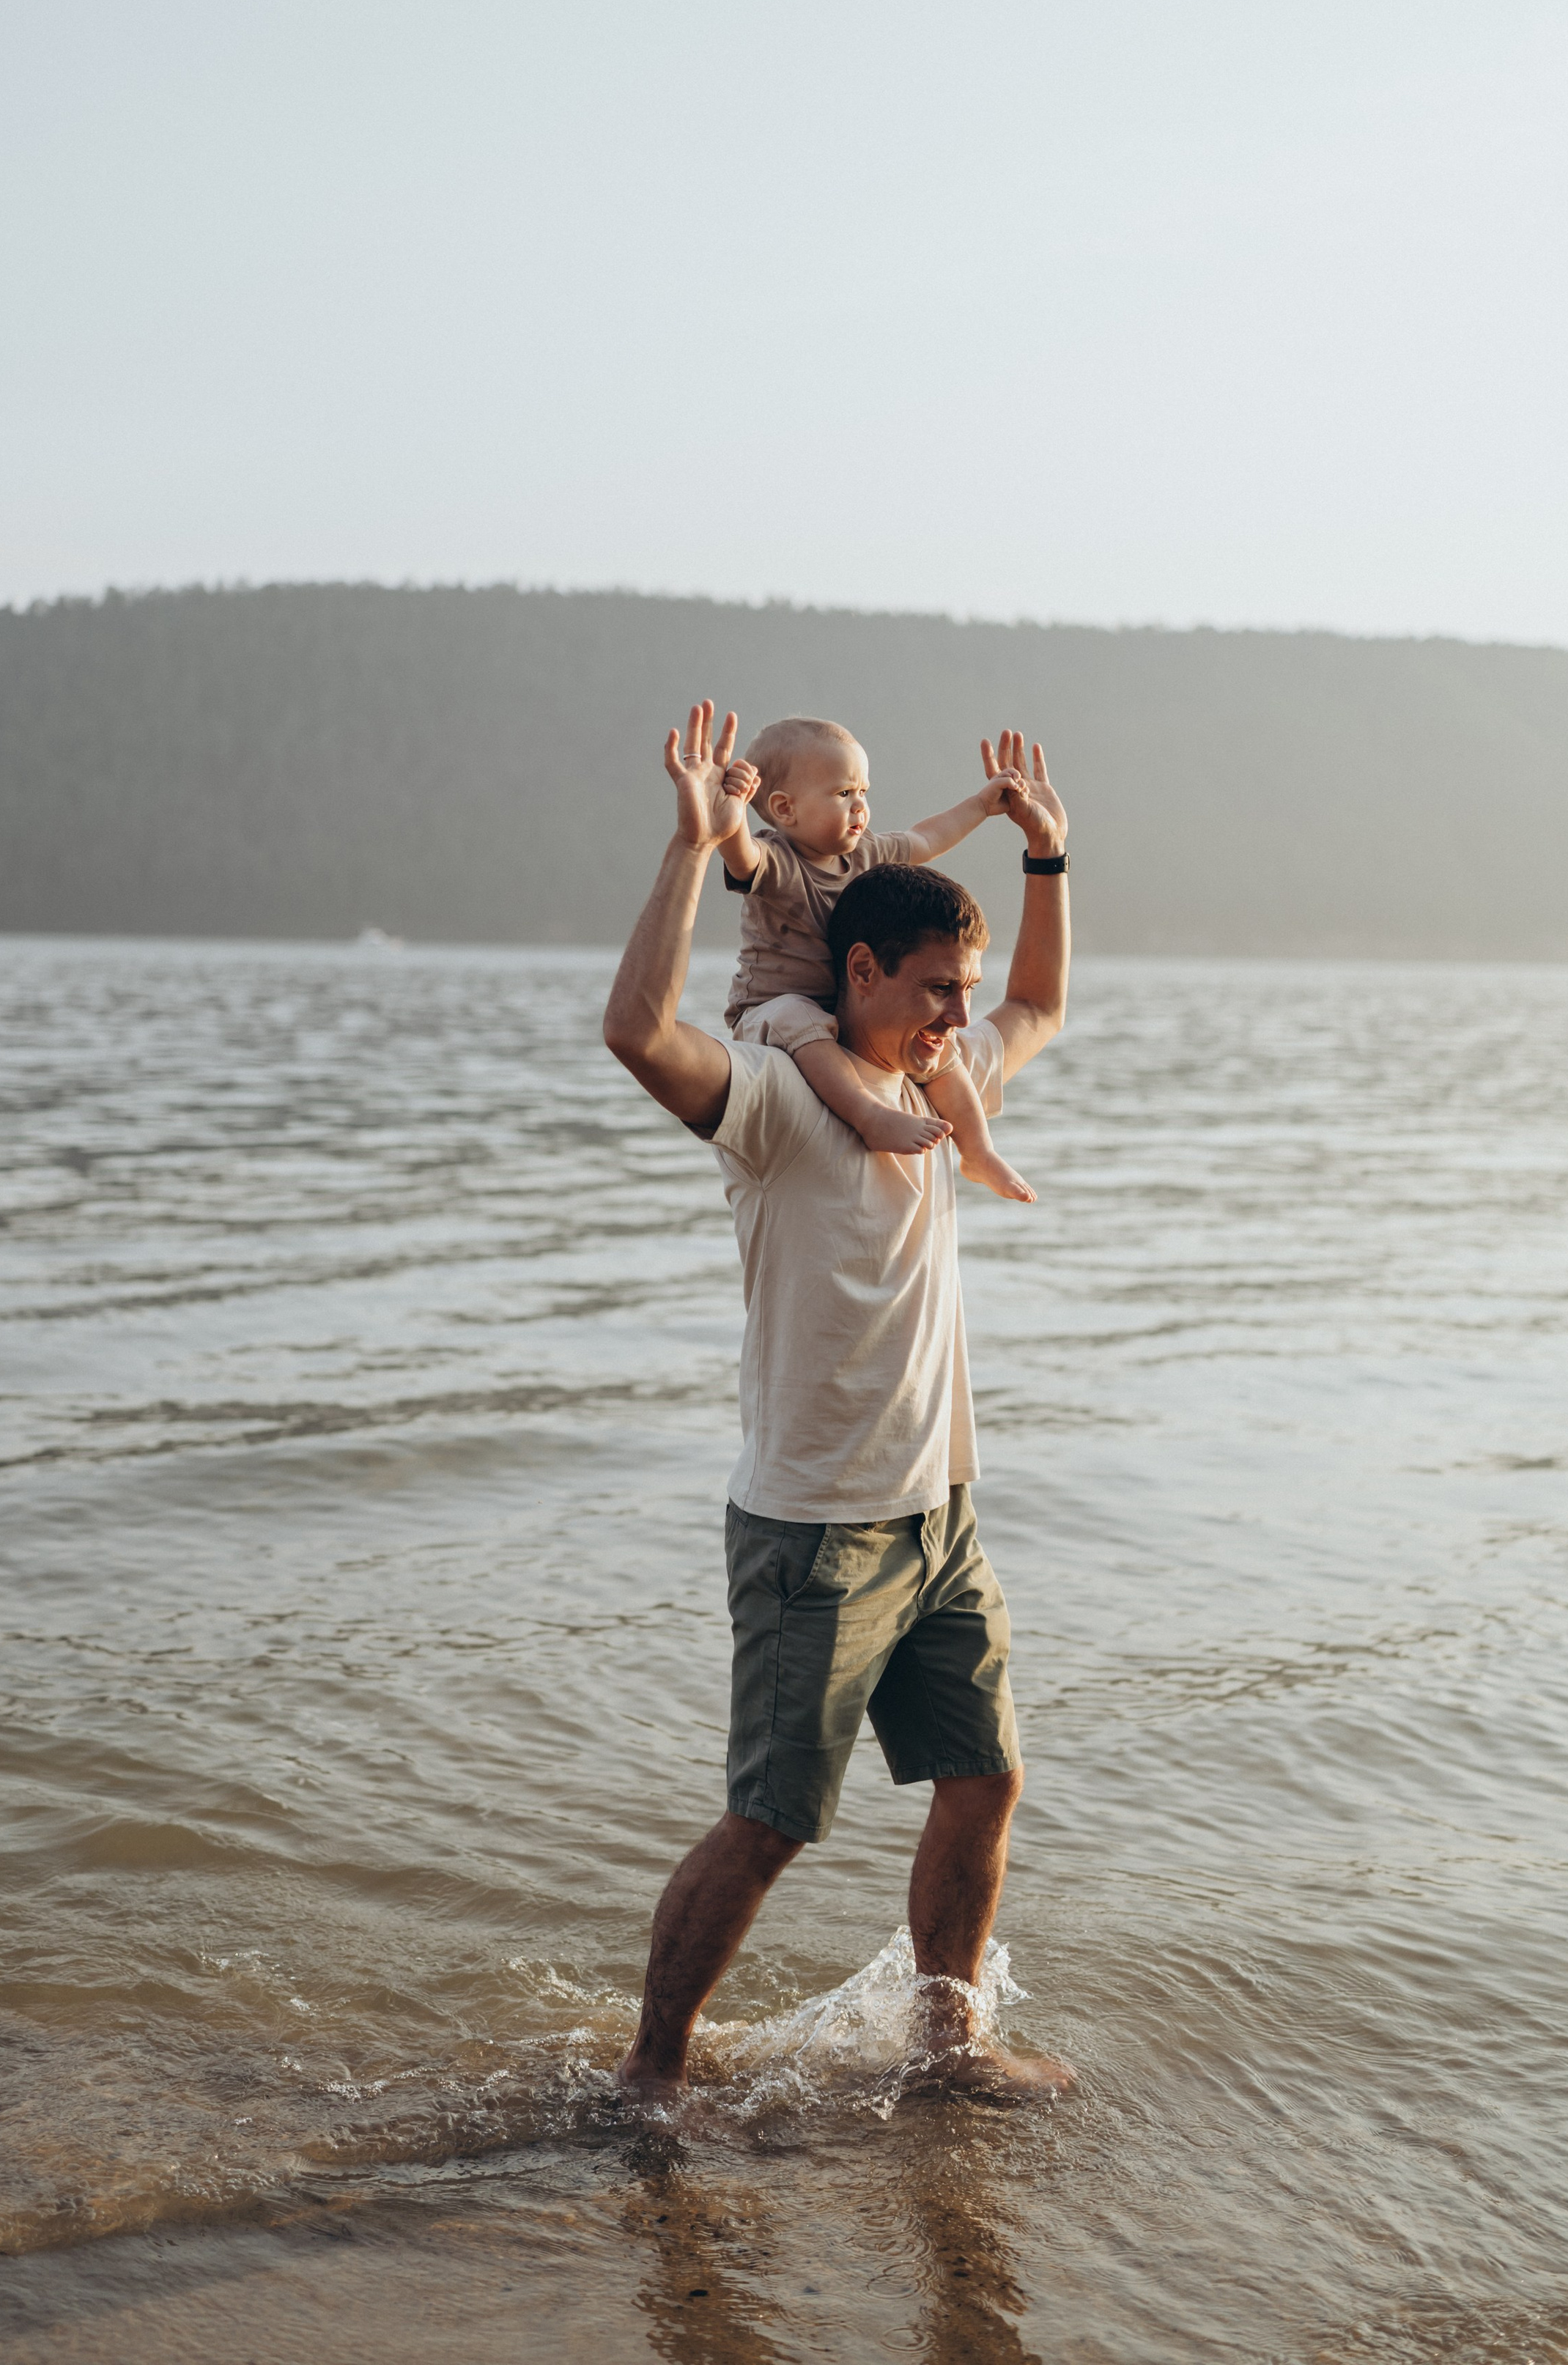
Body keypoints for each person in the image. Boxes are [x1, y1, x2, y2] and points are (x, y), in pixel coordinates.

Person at [601, 698, 1075, 2103]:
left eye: (961, 993)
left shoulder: (942, 1076)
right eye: (935, 990)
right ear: (860, 970)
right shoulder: (777, 1102)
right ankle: (650, 2076)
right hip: (816, 1535)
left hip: (940, 1523)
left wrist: (1047, 863)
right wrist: (696, 848)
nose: (958, 1018)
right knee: (769, 1825)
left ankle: (951, 2051)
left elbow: (1040, 1007)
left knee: (984, 1780)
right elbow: (636, 1031)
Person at [714, 714, 1039, 1203]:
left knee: (945, 1058)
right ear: (784, 808)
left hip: (839, 1009)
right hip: (771, 1011)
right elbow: (740, 856)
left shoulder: (867, 854)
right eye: (843, 793)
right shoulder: (777, 860)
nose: (860, 805)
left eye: (863, 791)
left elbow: (927, 839)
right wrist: (729, 814)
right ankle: (870, 1118)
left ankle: (978, 1151)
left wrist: (981, 805)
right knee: (798, 1016)